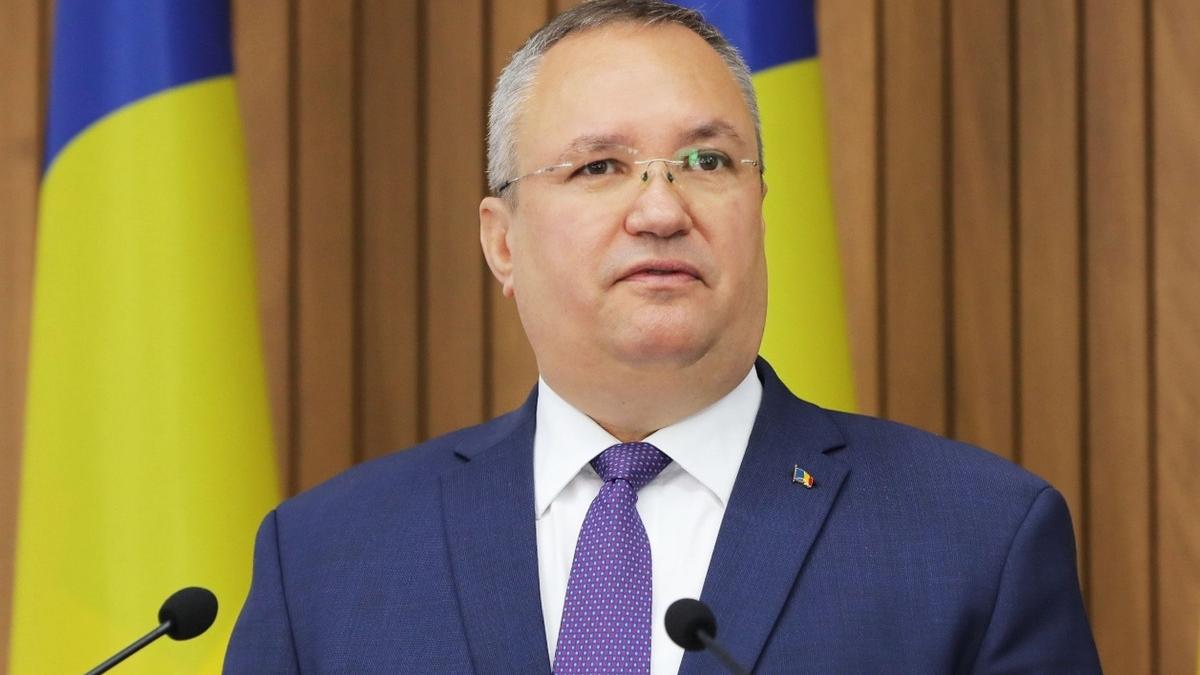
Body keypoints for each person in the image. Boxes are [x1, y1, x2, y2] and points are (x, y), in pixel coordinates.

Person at [225, 1, 1101, 673]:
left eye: (707, 162)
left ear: (760, 212)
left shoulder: (976, 542)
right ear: (502, 241)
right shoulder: (325, 561)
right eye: (600, 166)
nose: (659, 210)